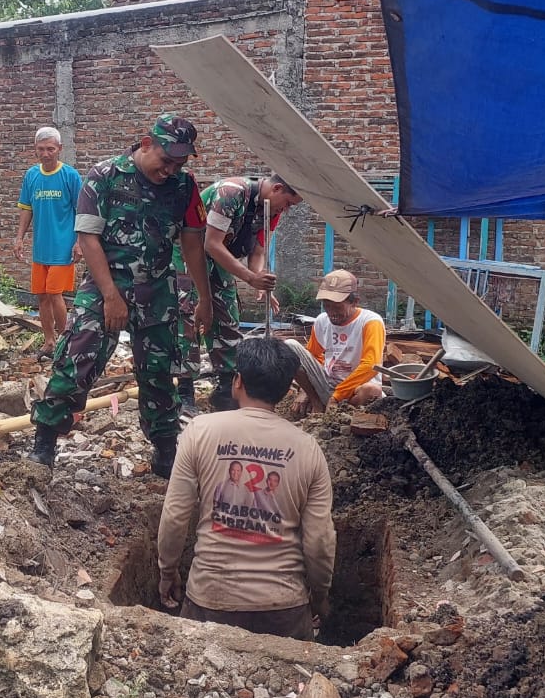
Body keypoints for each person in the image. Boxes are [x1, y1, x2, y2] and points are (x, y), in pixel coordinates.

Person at [27, 115, 213, 478]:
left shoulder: (184, 186)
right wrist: (112, 296)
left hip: (158, 292)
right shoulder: (105, 176)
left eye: (180, 163)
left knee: (160, 375)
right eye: (166, 160)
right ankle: (44, 443)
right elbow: (88, 238)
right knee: (76, 359)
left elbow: (192, 244)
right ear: (146, 144)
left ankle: (164, 453)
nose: (171, 169)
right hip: (104, 287)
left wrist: (203, 299)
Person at [157, 337, 335, 639]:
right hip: (284, 610)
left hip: (209, 601)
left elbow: (175, 515)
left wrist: (167, 571)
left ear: (237, 382)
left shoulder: (200, 431)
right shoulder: (308, 449)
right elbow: (319, 541)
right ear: (285, 390)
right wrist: (319, 597)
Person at [175, 174, 302, 412]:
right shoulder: (231, 193)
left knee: (227, 315)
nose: (286, 210)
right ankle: (184, 393)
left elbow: (258, 250)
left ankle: (225, 389)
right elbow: (211, 244)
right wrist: (250, 278)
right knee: (189, 317)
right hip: (187, 254)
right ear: (276, 188)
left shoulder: (270, 210)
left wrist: (260, 279)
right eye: (288, 203)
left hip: (220, 258)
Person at [13, 126, 83, 355]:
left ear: (59, 149)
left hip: (63, 246)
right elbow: (26, 208)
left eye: (50, 149)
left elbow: (82, 211)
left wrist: (79, 242)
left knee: (55, 293)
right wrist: (19, 237)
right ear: (35, 149)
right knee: (41, 295)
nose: (46, 153)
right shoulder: (32, 175)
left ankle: (65, 341)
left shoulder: (70, 176)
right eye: (41, 149)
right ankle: (49, 341)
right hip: (40, 247)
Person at [288, 269, 385, 415]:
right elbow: (314, 356)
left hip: (355, 390)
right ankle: (317, 403)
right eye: (327, 306)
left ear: (355, 302)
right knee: (290, 346)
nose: (331, 312)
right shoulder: (321, 320)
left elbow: (371, 365)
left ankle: (342, 413)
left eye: (337, 307)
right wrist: (305, 392)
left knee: (372, 391)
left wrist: (337, 397)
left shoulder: (370, 322)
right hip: (328, 385)